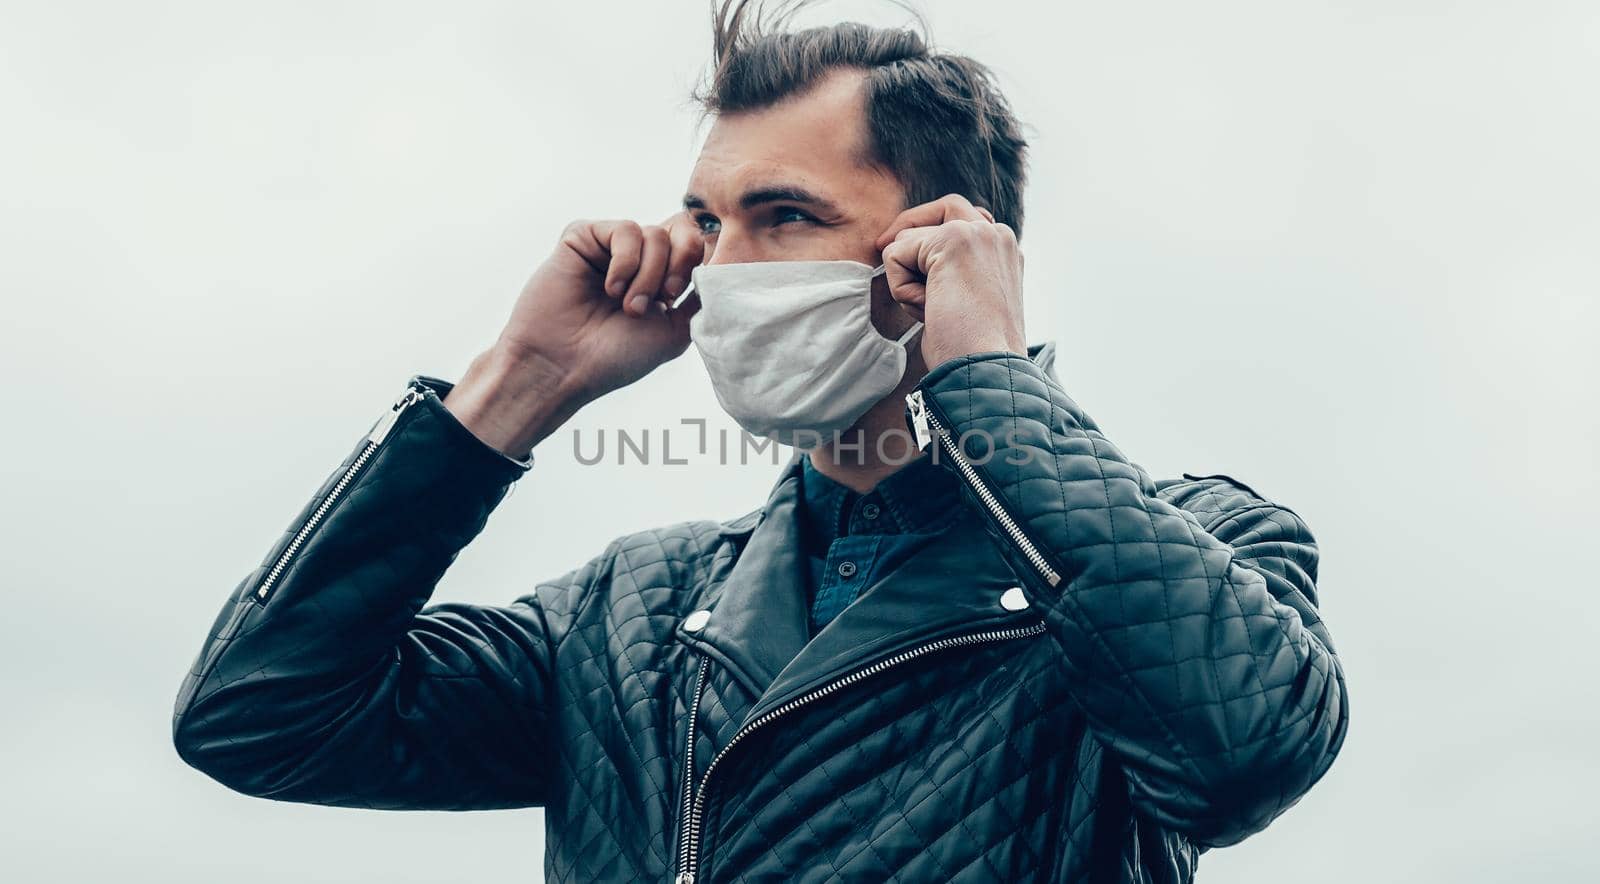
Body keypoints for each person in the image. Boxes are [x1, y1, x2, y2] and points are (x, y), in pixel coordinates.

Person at [172, 3, 1348, 881]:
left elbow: (1246, 754)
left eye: (782, 216)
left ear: (944, 245)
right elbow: (260, 715)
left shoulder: (1206, 540)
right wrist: (513, 387)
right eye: (702, 219)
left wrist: (985, 374)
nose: (719, 268)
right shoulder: (626, 609)